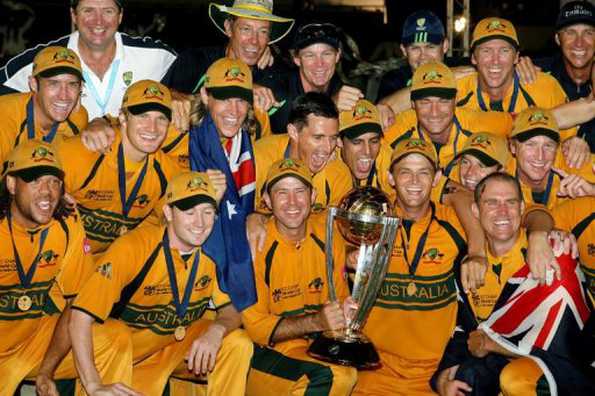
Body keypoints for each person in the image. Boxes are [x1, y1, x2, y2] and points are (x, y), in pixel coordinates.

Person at [69, 171, 253, 395]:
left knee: (237, 342)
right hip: (125, 354)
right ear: (168, 212)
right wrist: (93, 384)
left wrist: (216, 330)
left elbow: (231, 309)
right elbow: (79, 316)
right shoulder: (133, 247)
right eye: (189, 212)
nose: (200, 222)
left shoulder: (212, 250)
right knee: (114, 333)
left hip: (173, 347)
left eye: (207, 212)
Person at [432, 172, 594, 396]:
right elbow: (463, 330)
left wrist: (493, 343)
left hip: (565, 369)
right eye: (492, 203)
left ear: (521, 209)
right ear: (476, 211)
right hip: (498, 360)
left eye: (510, 202)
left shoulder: (553, 251)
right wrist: (443, 377)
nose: (502, 211)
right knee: (466, 379)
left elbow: (572, 344)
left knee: (519, 379)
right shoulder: (466, 264)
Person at [0, 140, 125, 394]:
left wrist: (47, 370)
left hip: (33, 338)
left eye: (54, 181)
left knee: (113, 337)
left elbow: (75, 303)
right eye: (35, 180)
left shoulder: (67, 225)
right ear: (12, 184)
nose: (47, 192)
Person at [352, 138, 468, 395]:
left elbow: (504, 214)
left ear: (437, 178)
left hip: (433, 374)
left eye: (423, 173)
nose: (414, 182)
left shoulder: (457, 224)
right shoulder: (369, 220)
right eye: (405, 172)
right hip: (374, 370)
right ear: (390, 178)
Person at [242, 158, 357, 396]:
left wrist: (345, 313)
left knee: (352, 369)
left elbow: (337, 303)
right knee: (334, 377)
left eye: (300, 191)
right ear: (266, 200)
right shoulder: (254, 246)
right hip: (266, 355)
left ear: (313, 195)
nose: (292, 202)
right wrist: (316, 321)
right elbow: (257, 330)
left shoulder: (329, 236)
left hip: (314, 347)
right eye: (282, 192)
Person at [57, 79, 186, 254]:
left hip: (110, 262)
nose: (152, 128)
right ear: (123, 118)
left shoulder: (166, 174)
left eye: (161, 119)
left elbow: (176, 224)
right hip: (60, 255)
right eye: (143, 116)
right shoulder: (84, 151)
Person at [0, 0, 177, 120]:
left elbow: (196, 85)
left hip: (134, 170)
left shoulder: (156, 56)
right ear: (73, 15)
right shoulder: (40, 61)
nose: (98, 21)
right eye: (88, 10)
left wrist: (176, 94)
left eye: (108, 11)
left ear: (120, 16)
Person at [161, 0, 294, 128]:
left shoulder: (275, 79)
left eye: (263, 32)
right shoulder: (196, 60)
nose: (254, 41)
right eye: (246, 29)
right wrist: (171, 95)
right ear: (228, 28)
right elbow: (157, 93)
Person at [383, 61, 513, 172]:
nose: (434, 112)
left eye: (443, 101)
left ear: (456, 100)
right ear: (412, 104)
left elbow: (521, 123)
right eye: (425, 102)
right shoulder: (395, 131)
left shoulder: (478, 123)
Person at [253, 92, 353, 213]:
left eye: (332, 138)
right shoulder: (258, 158)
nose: (327, 148)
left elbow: (335, 227)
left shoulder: (338, 173)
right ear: (293, 132)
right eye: (318, 137)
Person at [268, 22, 366, 133]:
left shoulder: (344, 92)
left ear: (337, 56)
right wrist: (330, 107)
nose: (319, 64)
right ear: (297, 59)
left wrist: (378, 111)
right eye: (310, 55)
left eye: (326, 54)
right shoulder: (277, 90)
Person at [0, 46, 87, 165]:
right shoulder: (4, 116)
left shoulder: (78, 119)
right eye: (53, 84)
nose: (64, 96)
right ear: (33, 84)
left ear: (81, 87)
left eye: (72, 84)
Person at [506, 107, 594, 209]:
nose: (540, 156)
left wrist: (592, 190)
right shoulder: (501, 173)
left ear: (557, 148)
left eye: (548, 145)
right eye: (530, 144)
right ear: (513, 147)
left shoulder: (573, 161)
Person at [377, 10, 449, 100]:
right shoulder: (394, 81)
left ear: (445, 46)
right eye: (415, 48)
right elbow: (383, 107)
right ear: (404, 50)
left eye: (430, 47)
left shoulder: (461, 70)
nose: (423, 56)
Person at [338, 99, 392, 194]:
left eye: (374, 141)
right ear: (339, 141)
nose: (367, 151)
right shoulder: (327, 165)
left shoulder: (388, 162)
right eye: (357, 142)